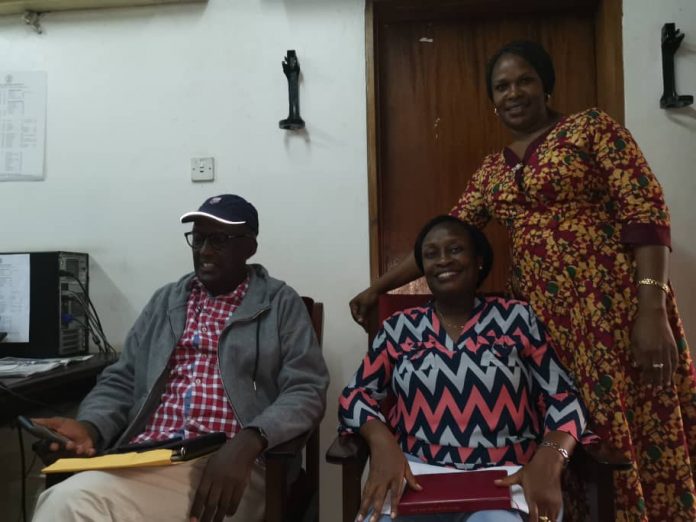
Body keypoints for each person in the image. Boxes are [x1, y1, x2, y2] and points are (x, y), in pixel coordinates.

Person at [349, 40, 696, 521]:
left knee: (621, 436)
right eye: (501, 86)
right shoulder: (492, 171)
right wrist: (378, 287)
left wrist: (651, 309)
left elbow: (647, 212)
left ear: (546, 85)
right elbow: (446, 236)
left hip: (612, 312)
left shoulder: (591, 129)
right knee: (558, 426)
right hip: (542, 317)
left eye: (524, 80)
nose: (513, 93)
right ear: (492, 99)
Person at [31, 194, 330, 522]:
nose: (204, 251)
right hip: (147, 457)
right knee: (68, 499)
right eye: (198, 239)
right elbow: (122, 379)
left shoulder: (279, 303)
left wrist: (251, 439)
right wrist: (91, 426)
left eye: (219, 240)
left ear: (249, 247)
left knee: (71, 503)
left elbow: (306, 389)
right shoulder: (167, 301)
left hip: (235, 469)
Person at [340, 215, 589, 522]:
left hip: (505, 477)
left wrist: (551, 457)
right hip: (416, 475)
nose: (443, 260)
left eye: (455, 249)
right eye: (431, 254)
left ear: (479, 260)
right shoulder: (399, 327)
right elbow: (356, 395)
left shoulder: (517, 318)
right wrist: (383, 444)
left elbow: (564, 396)